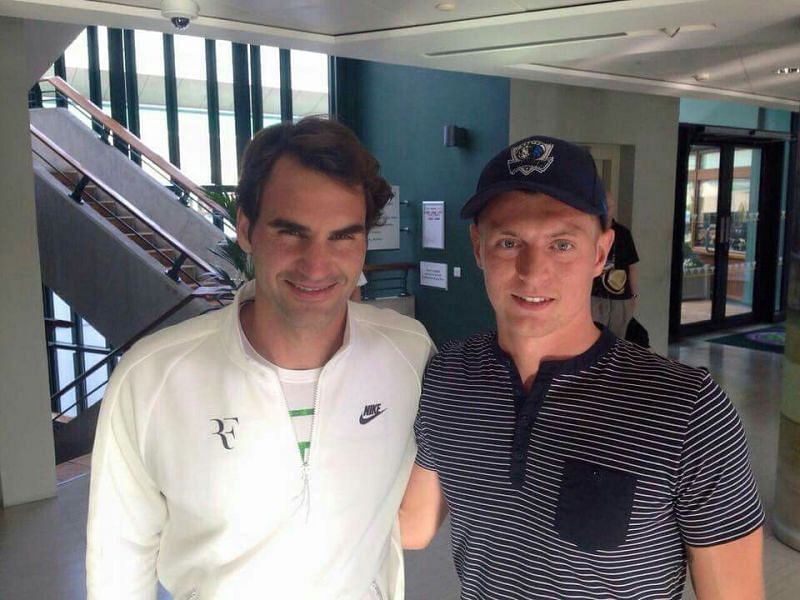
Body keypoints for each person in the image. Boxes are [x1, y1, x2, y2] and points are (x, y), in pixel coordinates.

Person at [400, 136, 764, 599]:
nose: (533, 272)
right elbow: (413, 524)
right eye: (509, 242)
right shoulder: (450, 374)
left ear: (600, 252)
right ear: (478, 247)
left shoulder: (685, 406)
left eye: (562, 244)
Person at [86, 117, 434, 599]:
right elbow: (118, 559)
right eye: (291, 233)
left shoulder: (409, 354)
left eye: (342, 236)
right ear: (246, 229)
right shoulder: (153, 377)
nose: (316, 264)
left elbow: (422, 517)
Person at [590, 192, 640, 339]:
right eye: (603, 205)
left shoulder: (623, 233)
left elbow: (632, 266)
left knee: (617, 341)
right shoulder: (590, 232)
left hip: (620, 298)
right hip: (593, 296)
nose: (606, 209)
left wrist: (633, 296)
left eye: (609, 206)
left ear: (614, 208)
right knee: (592, 340)